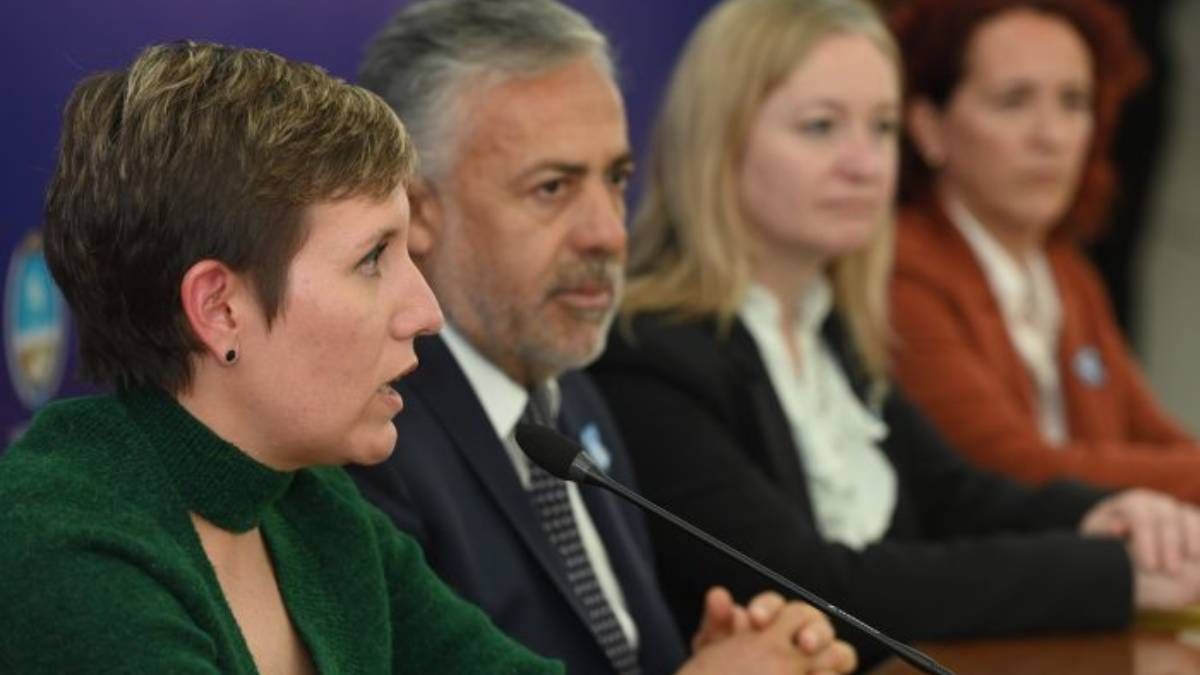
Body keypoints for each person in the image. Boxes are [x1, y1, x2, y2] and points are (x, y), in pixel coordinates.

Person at [587, 0, 1200, 668]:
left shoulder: (829, 329)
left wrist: (1104, 515)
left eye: (880, 127)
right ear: (719, 142)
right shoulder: (650, 352)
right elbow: (815, 585)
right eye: (821, 127)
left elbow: (955, 493)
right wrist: (1107, 571)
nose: (865, 164)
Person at [0, 40, 561, 673]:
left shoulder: (314, 505)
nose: (426, 312)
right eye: (373, 259)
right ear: (219, 309)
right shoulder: (56, 540)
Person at [348, 1, 856, 674]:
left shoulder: (572, 395)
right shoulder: (371, 439)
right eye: (552, 187)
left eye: (615, 179)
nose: (609, 233)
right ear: (418, 211)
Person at [887, 0, 1200, 501]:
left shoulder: (1066, 272)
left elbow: (1154, 437)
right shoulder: (900, 270)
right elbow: (1013, 467)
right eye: (1014, 101)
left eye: (1073, 102)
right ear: (928, 127)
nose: (1050, 136)